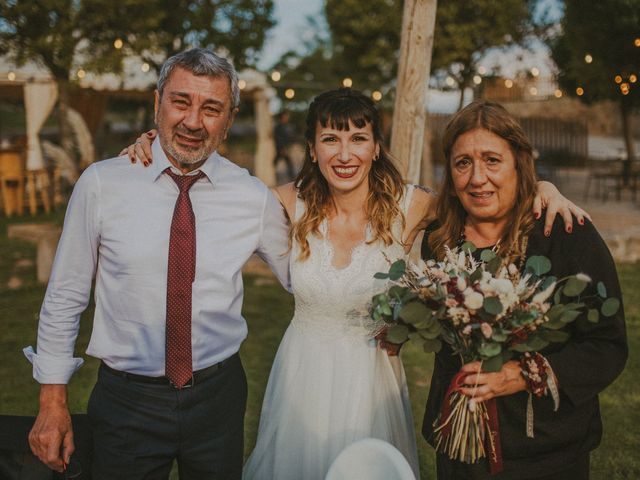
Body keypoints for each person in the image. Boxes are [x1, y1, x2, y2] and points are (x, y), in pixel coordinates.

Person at [125, 88, 588, 480]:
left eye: (358, 139)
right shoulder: (285, 203)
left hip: (372, 382)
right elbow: (210, 189)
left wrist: (543, 188)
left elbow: (484, 192)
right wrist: (154, 143)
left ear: (376, 147)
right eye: (330, 139)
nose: (344, 154)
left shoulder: (412, 206)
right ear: (312, 148)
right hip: (302, 378)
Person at [24, 48, 290, 479]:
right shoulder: (102, 184)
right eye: (180, 101)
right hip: (126, 402)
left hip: (218, 397)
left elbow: (304, 277)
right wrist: (52, 402)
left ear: (229, 118)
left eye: (211, 108)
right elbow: (66, 294)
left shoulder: (252, 197)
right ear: (157, 103)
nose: (192, 121)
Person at [419, 100, 628, 479]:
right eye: (463, 162)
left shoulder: (565, 234)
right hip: (459, 448)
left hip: (546, 452)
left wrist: (521, 374)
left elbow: (607, 346)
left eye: (492, 160)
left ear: (519, 162)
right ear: (450, 171)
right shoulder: (437, 242)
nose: (477, 177)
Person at [273, 110, 297, 179]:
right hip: (281, 148)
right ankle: (291, 176)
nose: (287, 118)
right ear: (282, 117)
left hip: (283, 147)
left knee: (279, 162)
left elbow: (287, 137)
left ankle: (290, 176)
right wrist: (282, 148)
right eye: (286, 116)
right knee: (284, 162)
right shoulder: (279, 127)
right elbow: (279, 138)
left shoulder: (284, 126)